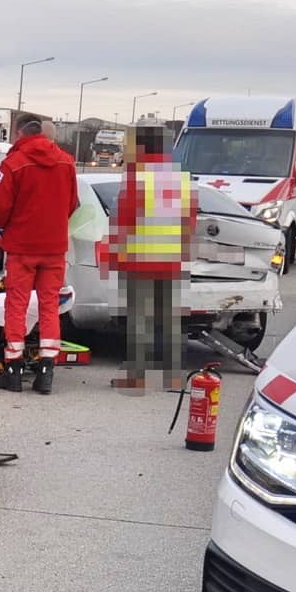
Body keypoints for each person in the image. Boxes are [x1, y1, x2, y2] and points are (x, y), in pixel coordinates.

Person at [104, 122, 193, 392]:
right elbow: (189, 218)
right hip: (171, 257)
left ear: (140, 146)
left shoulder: (137, 177)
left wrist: (116, 256)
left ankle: (136, 377)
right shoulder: (178, 177)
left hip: (140, 259)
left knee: (139, 320)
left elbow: (125, 221)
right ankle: (174, 377)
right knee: (169, 319)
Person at [0, 119, 77, 393]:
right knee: (49, 305)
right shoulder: (66, 162)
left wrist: (4, 230)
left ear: (20, 134)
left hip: (22, 247)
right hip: (54, 248)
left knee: (17, 304)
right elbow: (72, 203)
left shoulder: (14, 163)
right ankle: (46, 369)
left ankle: (13, 369)